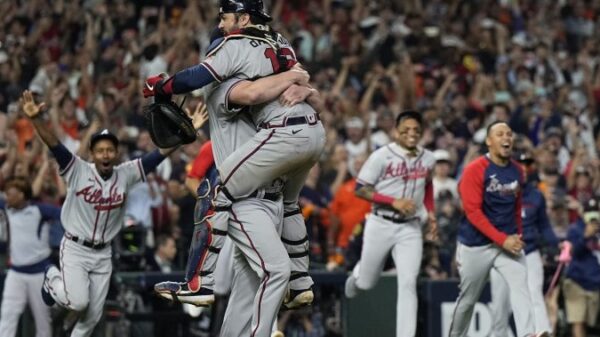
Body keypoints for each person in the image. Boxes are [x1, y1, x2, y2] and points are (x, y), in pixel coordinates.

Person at [17, 90, 207, 337]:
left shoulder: (126, 174)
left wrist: (185, 132)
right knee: (78, 302)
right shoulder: (77, 169)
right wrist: (36, 120)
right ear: (93, 154)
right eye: (100, 150)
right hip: (76, 247)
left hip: (103, 253)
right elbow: (54, 143)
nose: (105, 154)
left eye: (110, 150)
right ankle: (51, 278)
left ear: (115, 154)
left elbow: (158, 155)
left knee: (92, 317)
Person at [447, 121, 549, 337]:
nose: (507, 138)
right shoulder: (474, 170)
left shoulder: (518, 171)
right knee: (467, 301)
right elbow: (473, 213)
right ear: (489, 141)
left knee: (521, 286)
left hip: (507, 243)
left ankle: (528, 333)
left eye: (509, 134)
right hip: (476, 244)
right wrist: (503, 239)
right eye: (500, 134)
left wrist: (517, 234)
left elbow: (517, 205)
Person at [344, 110, 437, 337]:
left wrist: (431, 215)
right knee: (367, 283)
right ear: (396, 131)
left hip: (410, 227)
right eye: (406, 129)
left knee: (408, 283)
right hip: (380, 222)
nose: (411, 134)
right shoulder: (381, 156)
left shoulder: (429, 158)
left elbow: (428, 186)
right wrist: (392, 201)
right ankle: (357, 275)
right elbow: (360, 189)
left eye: (416, 129)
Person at [489, 151, 559, 335]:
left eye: (528, 164)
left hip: (529, 251)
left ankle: (542, 332)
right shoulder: (499, 191)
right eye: (521, 164)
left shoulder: (536, 195)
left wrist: (559, 244)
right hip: (502, 252)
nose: (525, 168)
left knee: (534, 292)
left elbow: (544, 226)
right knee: (500, 304)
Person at [0, 177, 60, 337]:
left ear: (21, 195)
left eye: (10, 194)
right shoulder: (7, 209)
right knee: (7, 315)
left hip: (39, 273)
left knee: (43, 320)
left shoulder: (40, 210)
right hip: (16, 273)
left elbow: (65, 215)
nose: (7, 197)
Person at [562, 197, 600, 337]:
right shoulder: (575, 228)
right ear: (583, 212)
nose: (593, 215)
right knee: (578, 323)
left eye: (596, 211)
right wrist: (585, 236)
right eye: (590, 211)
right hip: (577, 282)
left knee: (590, 327)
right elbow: (572, 252)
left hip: (596, 284)